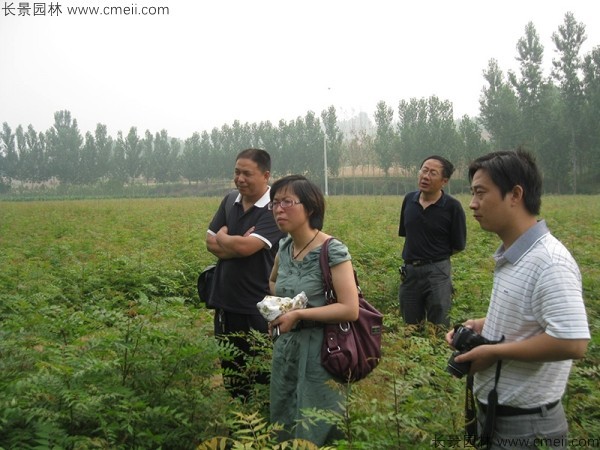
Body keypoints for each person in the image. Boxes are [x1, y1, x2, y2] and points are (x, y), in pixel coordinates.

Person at [446, 149, 590, 449]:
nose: (472, 204)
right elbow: (533, 317)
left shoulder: (549, 262)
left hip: (527, 426)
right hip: (500, 415)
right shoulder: (515, 256)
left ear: (515, 195)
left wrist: (496, 353)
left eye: (480, 192)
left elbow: (573, 342)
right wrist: (484, 325)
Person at [267, 175, 359, 446]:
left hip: (323, 350)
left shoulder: (332, 250)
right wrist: (281, 308)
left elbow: (350, 308)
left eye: (287, 202)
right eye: (275, 203)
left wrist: (298, 314)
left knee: (318, 420)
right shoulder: (284, 247)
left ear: (310, 208)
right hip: (287, 349)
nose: (278, 209)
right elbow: (274, 281)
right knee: (284, 413)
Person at [206, 148, 286, 401]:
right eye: (237, 172)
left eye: (247, 174)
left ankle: (261, 429)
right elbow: (210, 243)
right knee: (233, 373)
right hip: (225, 303)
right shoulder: (230, 200)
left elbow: (247, 247)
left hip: (258, 307)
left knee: (261, 373)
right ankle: (239, 424)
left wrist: (225, 238)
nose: (240, 179)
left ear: (265, 175)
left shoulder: (275, 209)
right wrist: (235, 243)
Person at [398, 155, 467, 327]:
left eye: (433, 173)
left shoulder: (453, 207)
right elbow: (407, 234)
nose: (426, 176)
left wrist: (436, 257)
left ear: (444, 181)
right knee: (410, 325)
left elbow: (458, 245)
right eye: (424, 170)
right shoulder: (409, 200)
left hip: (437, 272)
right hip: (410, 272)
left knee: (439, 324)